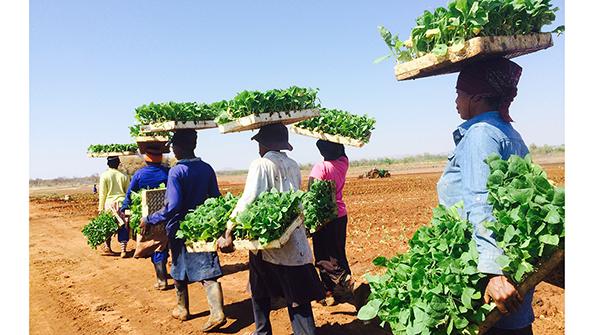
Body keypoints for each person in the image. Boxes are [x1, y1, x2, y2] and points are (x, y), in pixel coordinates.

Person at [437, 57, 533, 335]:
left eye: (459, 93)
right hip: (509, 260)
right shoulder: (508, 132)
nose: (455, 100)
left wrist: (493, 274)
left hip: (488, 271)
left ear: (477, 98)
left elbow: (482, 202)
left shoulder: (480, 134)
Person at [218, 123, 325, 335]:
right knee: (297, 297)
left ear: (264, 144)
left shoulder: (260, 164)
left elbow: (249, 199)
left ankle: (262, 331)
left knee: (260, 291)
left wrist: (229, 229)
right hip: (292, 237)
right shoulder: (293, 164)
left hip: (269, 242)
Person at [139, 129, 226, 332]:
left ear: (179, 147)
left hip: (180, 227)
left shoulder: (177, 171)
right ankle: (194, 309)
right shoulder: (206, 168)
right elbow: (215, 197)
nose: (172, 150)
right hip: (203, 226)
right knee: (207, 266)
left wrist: (150, 219)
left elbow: (173, 205)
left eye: (173, 146)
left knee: (178, 266)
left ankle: (193, 310)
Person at [308, 140, 354, 305]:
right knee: (338, 253)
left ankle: (339, 292)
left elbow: (311, 194)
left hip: (325, 219)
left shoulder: (321, 168)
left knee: (323, 257)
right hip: (340, 215)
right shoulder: (343, 162)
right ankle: (339, 288)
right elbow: (341, 151)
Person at [119, 145, 170, 290]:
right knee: (163, 243)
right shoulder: (168, 172)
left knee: (155, 245)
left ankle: (161, 279)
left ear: (146, 161)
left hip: (146, 218)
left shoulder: (140, 174)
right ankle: (164, 272)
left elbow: (130, 194)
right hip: (166, 214)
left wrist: (124, 208)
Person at [98, 156, 130, 256]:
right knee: (124, 226)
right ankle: (123, 250)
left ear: (108, 164)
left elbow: (102, 193)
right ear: (118, 163)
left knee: (108, 226)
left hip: (109, 205)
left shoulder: (104, 176)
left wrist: (101, 208)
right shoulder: (124, 176)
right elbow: (128, 192)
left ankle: (108, 247)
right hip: (122, 204)